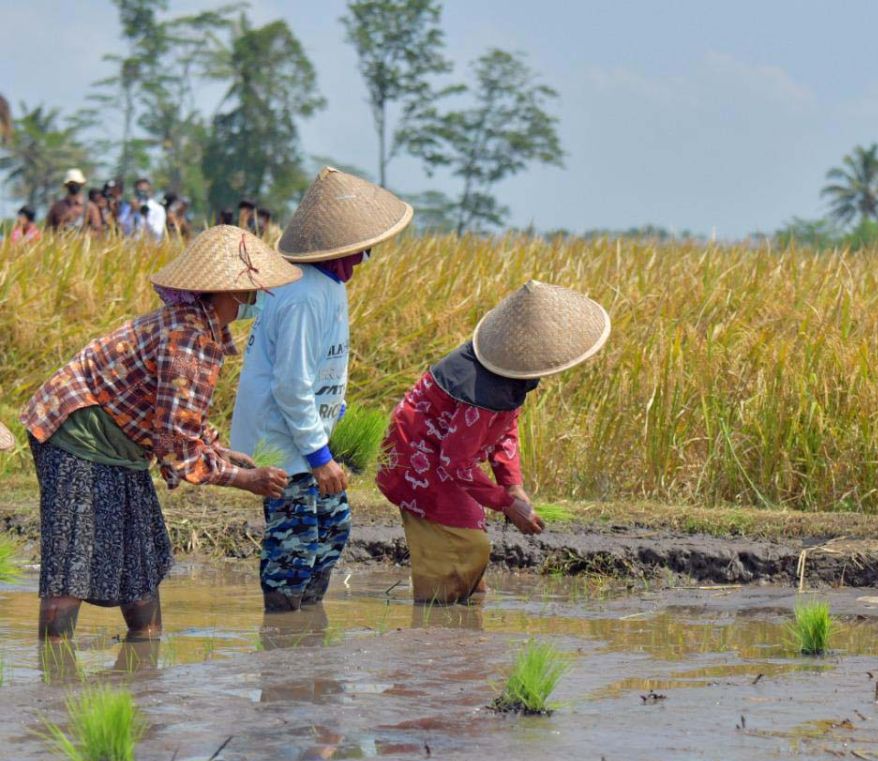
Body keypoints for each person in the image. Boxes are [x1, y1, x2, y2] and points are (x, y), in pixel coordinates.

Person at [20, 225, 298, 639]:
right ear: (228, 293)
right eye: (251, 290)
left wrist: (218, 451)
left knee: (139, 554)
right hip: (76, 436)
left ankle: (145, 656)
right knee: (73, 560)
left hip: (118, 441)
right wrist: (244, 479)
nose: (257, 299)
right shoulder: (188, 341)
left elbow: (179, 415)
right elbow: (173, 445)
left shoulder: (201, 330)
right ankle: (56, 669)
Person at [230, 166, 414, 612]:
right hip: (282, 442)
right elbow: (291, 385)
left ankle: (306, 632)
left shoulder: (328, 287)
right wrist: (319, 456)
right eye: (360, 250)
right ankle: (283, 644)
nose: (364, 257)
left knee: (332, 530)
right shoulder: (303, 295)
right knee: (293, 547)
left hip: (307, 437)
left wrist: (334, 424)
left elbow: (322, 369)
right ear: (341, 251)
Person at [377, 281, 611, 604]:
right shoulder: (481, 386)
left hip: (444, 458)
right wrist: (506, 503)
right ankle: (430, 632)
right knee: (467, 545)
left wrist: (512, 485)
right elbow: (455, 463)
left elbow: (505, 429)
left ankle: (464, 617)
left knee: (471, 550)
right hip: (417, 457)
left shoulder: (511, 374)